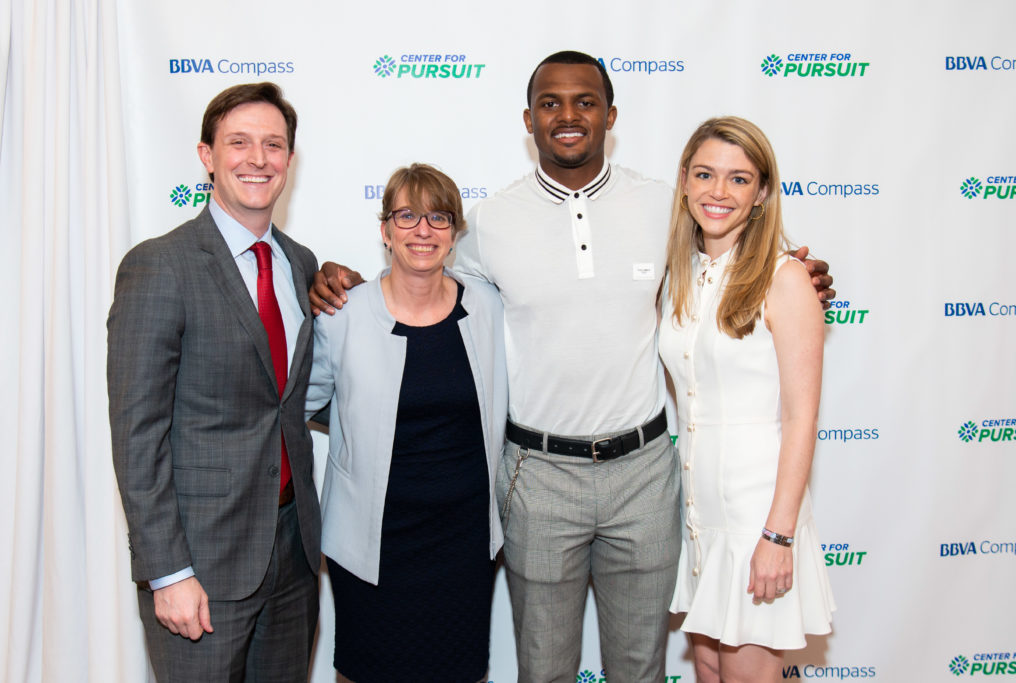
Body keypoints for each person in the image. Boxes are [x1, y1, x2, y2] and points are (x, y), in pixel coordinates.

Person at [310, 51, 835, 683]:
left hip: (645, 474)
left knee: (639, 668)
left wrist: (801, 277)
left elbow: (731, 263)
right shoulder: (488, 223)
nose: (567, 115)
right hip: (538, 476)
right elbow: (422, 280)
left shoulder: (667, 206)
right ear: (527, 120)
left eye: (585, 101)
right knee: (544, 668)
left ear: (610, 115)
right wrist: (342, 288)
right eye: (549, 103)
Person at [107, 82, 321, 682]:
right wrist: (168, 573)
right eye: (239, 143)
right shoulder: (160, 266)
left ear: (289, 160)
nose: (258, 159)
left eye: (273, 145)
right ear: (207, 156)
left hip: (293, 550)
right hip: (200, 561)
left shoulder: (299, 262)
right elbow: (136, 433)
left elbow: (293, 397)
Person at [306, 164, 507, 683]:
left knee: (458, 672)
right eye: (407, 216)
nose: (423, 230)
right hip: (372, 540)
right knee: (365, 670)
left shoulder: (487, 306)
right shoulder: (343, 314)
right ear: (386, 231)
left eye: (439, 217)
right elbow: (303, 402)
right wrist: (366, 418)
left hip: (462, 541)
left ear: (456, 232)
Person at [659, 116, 835, 683]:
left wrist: (778, 536)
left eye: (739, 179)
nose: (718, 192)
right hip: (701, 515)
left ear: (761, 193)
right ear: (684, 180)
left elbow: (800, 415)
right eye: (706, 174)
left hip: (757, 518)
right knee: (709, 667)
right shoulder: (684, 274)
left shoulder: (785, 279)